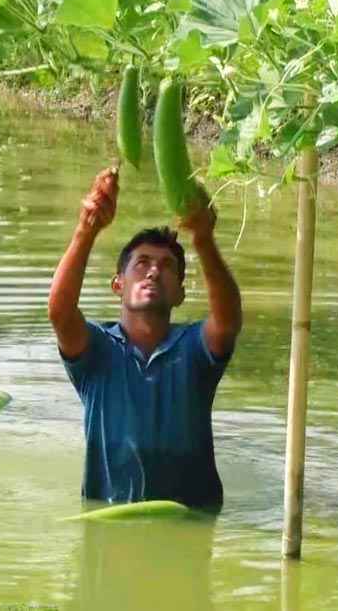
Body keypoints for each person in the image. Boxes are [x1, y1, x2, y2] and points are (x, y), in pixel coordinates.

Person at [47, 166, 242, 510]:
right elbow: (60, 313)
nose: (154, 270)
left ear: (180, 293)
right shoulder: (97, 351)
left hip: (190, 522)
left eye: (167, 266)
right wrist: (86, 229)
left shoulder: (194, 348)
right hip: (107, 519)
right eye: (142, 263)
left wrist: (203, 239)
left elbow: (227, 321)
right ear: (117, 284)